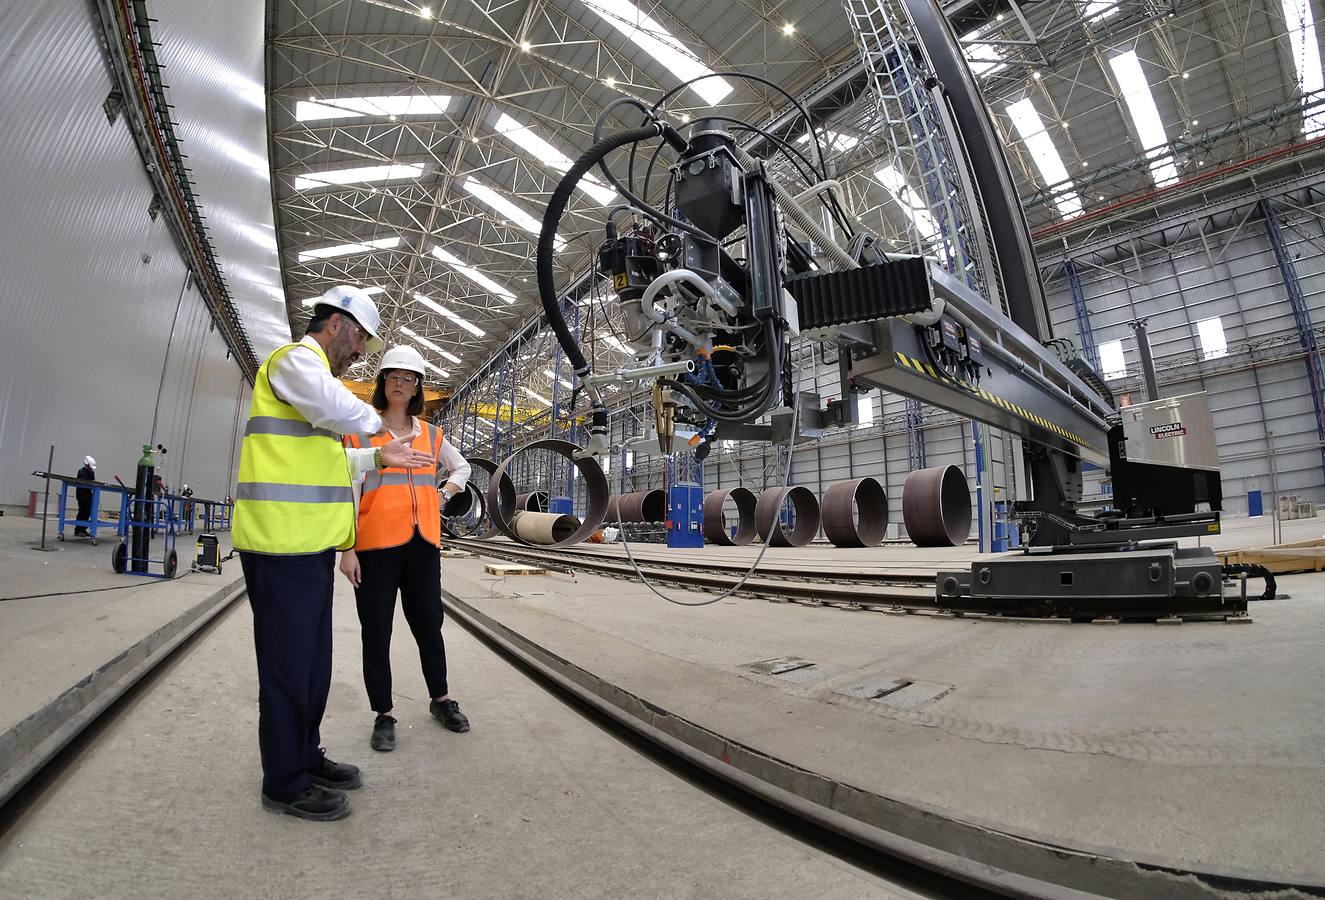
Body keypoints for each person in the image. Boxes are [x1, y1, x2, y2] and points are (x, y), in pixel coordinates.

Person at [232, 285, 435, 823]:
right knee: (287, 668)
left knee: (313, 667)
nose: (362, 352)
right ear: (340, 324)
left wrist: (376, 457)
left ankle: (305, 756)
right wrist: (379, 425)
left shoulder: (316, 390)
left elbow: (329, 467)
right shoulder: (294, 363)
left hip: (309, 548)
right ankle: (284, 781)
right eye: (362, 338)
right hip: (278, 544)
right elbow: (337, 406)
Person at [339, 345, 472, 752]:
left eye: (409, 378)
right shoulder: (363, 432)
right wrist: (347, 548)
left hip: (423, 544)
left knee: (429, 624)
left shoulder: (432, 435)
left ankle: (441, 699)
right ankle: (383, 713)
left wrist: (443, 495)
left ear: (418, 388)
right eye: (394, 376)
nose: (401, 383)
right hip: (376, 546)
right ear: (383, 383)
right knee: (376, 630)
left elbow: (461, 468)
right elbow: (349, 489)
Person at [74, 456, 95, 536]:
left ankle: (83, 529)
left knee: (87, 512)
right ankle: (78, 530)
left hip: (88, 494)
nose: (91, 468)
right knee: (82, 511)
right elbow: (82, 483)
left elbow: (92, 482)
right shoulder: (81, 472)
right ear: (86, 465)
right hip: (82, 494)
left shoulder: (91, 472)